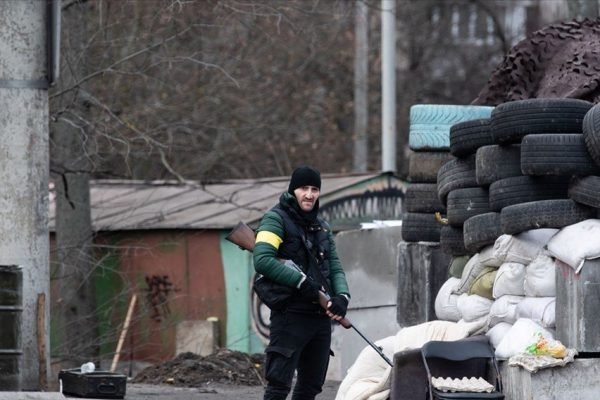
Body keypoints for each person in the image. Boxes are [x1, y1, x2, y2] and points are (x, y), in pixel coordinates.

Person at [253, 165, 351, 400]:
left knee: (310, 388)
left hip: (319, 319)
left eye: (314, 189)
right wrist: (300, 282)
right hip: (290, 316)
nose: (309, 194)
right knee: (278, 387)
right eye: (304, 188)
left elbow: (335, 267)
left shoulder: (323, 227)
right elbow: (263, 260)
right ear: (293, 190)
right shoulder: (275, 219)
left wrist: (342, 297)